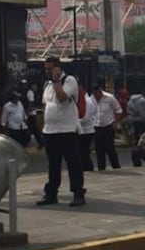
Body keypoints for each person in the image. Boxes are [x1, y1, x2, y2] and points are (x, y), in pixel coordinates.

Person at [37, 56, 85, 207]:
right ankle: (51, 193)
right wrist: (42, 128)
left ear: (58, 68)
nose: (47, 72)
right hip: (51, 131)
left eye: (50, 69)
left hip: (67, 130)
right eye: (46, 69)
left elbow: (62, 97)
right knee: (53, 164)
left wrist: (57, 80)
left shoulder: (69, 81)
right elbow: (45, 105)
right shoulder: (47, 84)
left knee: (73, 163)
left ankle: (78, 193)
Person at [92, 84, 123, 171]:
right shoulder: (91, 99)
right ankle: (101, 168)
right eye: (95, 93)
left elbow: (119, 110)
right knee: (99, 149)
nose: (98, 95)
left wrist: (115, 123)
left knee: (110, 148)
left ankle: (116, 166)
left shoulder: (109, 98)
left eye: (99, 92)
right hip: (97, 126)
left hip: (108, 125)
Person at [78, 88, 98, 173]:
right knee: (82, 152)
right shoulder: (85, 100)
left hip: (86, 130)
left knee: (84, 152)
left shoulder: (86, 101)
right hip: (84, 130)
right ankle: (85, 168)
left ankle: (88, 169)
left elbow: (85, 117)